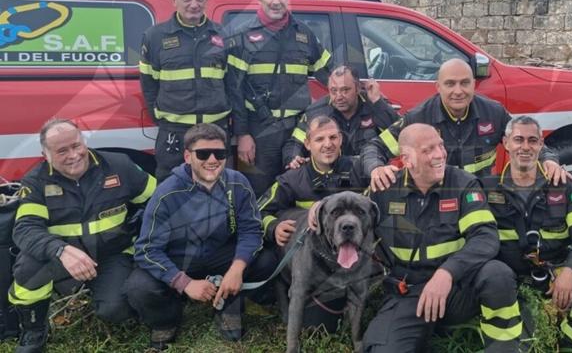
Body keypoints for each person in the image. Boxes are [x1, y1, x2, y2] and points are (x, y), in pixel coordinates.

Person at [360, 123, 523, 352]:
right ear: (407, 160)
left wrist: (447, 273)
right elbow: (349, 214)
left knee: (497, 274)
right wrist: (316, 211)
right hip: (410, 292)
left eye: (440, 146)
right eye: (427, 150)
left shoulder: (463, 183)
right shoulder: (385, 189)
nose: (439, 154)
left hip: (458, 289)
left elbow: (485, 237)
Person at [10, 119, 156, 353]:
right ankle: (34, 330)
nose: (73, 155)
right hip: (61, 256)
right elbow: (26, 228)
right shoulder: (35, 182)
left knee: (115, 311)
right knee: (28, 269)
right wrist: (60, 250)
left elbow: (159, 201)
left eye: (76, 145)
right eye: (62, 151)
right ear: (45, 154)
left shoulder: (119, 165)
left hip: (112, 253)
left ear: (84, 141)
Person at [127, 123, 276, 350]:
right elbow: (146, 249)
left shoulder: (238, 183)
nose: (212, 160)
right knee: (139, 286)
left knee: (266, 260)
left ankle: (229, 305)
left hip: (219, 254)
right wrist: (184, 282)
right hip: (179, 258)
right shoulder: (166, 193)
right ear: (187, 156)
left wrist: (236, 270)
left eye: (220, 153)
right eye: (203, 154)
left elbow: (251, 230)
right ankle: (166, 320)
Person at [484, 116, 572, 352]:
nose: (525, 147)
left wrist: (569, 271)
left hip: (554, 275)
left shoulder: (562, 186)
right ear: (506, 143)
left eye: (532, 140)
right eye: (518, 140)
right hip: (510, 284)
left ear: (540, 145)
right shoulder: (486, 189)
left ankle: (571, 343)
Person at [361, 58, 570, 192]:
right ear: (438, 87)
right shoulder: (419, 118)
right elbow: (374, 147)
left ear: (473, 84)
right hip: (438, 198)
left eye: (464, 83)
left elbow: (529, 141)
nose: (458, 91)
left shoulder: (493, 113)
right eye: (450, 84)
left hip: (483, 196)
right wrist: (376, 168)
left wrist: (549, 161)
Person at [226, 0, 333, 196]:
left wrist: (357, 87)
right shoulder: (242, 37)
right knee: (255, 192)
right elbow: (234, 91)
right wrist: (242, 135)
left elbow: (330, 74)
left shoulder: (304, 34)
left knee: (299, 189)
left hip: (297, 130)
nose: (276, 1)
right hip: (258, 132)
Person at [259, 115, 364, 331]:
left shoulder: (357, 169)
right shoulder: (292, 179)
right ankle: (285, 288)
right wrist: (273, 227)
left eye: (333, 137)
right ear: (307, 144)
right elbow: (258, 211)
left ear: (341, 139)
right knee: (317, 327)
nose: (328, 144)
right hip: (308, 261)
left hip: (348, 254)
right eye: (319, 139)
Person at [139, 0, 229, 181]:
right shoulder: (155, 37)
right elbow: (149, 84)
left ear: (206, 0)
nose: (194, 5)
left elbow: (233, 84)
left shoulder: (223, 34)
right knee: (172, 187)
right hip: (174, 132)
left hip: (215, 130)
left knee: (216, 185)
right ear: (174, 0)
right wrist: (164, 119)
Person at [283, 65, 399, 169]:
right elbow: (295, 142)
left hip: (368, 173)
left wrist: (377, 102)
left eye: (345, 90)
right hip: (330, 177)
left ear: (358, 88)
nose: (339, 97)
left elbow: (399, 134)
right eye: (333, 91)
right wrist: (293, 157)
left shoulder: (375, 105)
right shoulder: (316, 112)